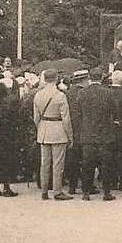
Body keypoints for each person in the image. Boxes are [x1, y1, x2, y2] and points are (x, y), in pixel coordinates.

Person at [74, 68, 118, 201]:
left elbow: (78, 113)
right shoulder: (108, 93)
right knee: (106, 165)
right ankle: (106, 192)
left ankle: (86, 192)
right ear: (102, 78)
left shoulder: (82, 93)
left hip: (87, 134)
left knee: (87, 165)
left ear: (89, 78)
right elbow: (114, 111)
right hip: (104, 134)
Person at [33, 69, 73, 201]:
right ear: (56, 79)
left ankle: (44, 190)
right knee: (58, 164)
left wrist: (41, 128)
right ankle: (57, 190)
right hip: (58, 130)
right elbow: (66, 118)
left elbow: (36, 117)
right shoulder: (60, 95)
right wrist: (70, 135)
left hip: (44, 129)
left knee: (44, 163)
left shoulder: (38, 95)